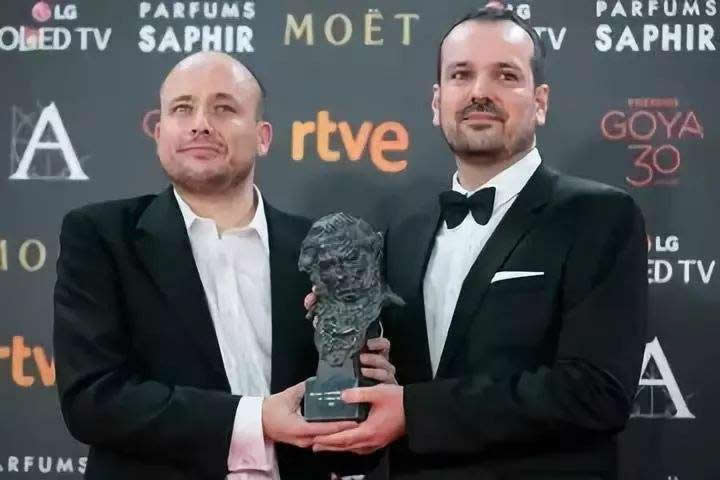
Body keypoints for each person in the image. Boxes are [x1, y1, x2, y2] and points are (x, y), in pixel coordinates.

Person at [309, 7, 648, 480]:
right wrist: (369, 377)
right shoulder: (403, 232)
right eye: (460, 75)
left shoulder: (598, 216)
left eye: (505, 75)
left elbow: (595, 392)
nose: (479, 92)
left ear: (540, 101)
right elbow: (399, 393)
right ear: (437, 102)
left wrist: (414, 409)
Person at [53, 51, 392, 480]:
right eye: (182, 108)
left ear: (263, 136)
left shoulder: (324, 251)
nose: (200, 124)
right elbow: (92, 402)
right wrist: (257, 418)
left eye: (223, 108)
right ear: (159, 132)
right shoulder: (101, 237)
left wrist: (365, 404)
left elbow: (346, 452)